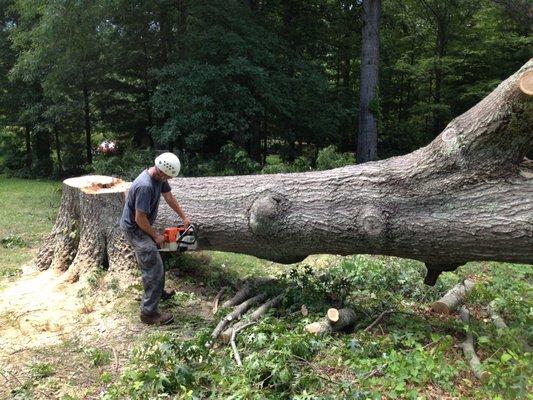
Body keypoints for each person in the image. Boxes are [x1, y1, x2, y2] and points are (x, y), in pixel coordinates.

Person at [120, 152, 190, 325]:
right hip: (136, 229)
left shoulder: (159, 177)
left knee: (161, 255)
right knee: (153, 265)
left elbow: (169, 197)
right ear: (161, 171)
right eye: (169, 176)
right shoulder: (145, 186)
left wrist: (183, 217)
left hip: (142, 227)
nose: (169, 180)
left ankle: (158, 292)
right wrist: (156, 235)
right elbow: (140, 219)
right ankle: (148, 313)